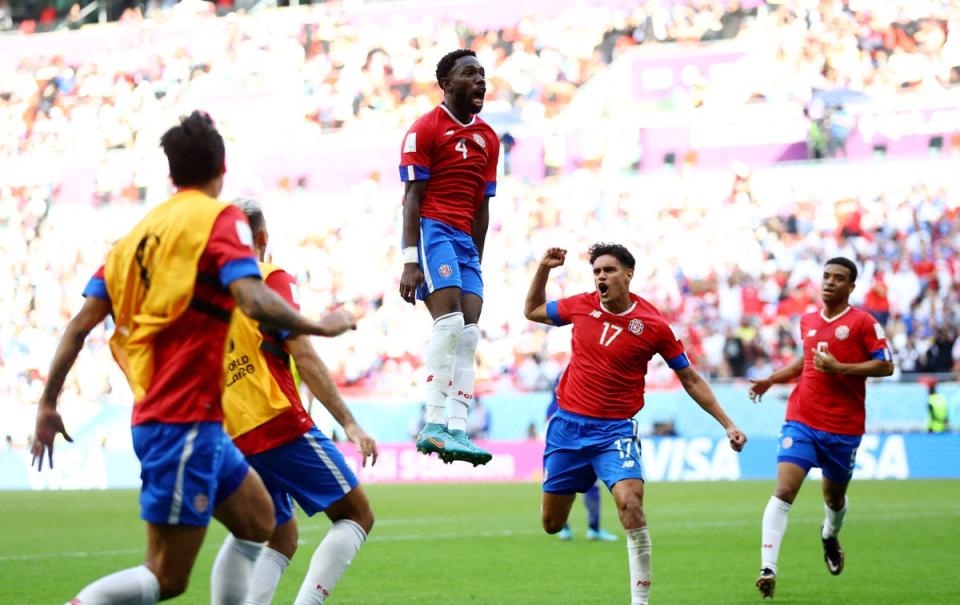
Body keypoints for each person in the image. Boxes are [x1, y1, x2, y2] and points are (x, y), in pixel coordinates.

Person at [31, 111, 353, 605]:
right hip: (179, 419)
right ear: (221, 169)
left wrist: (48, 403)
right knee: (166, 577)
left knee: (259, 522)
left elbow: (78, 328)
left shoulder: (130, 242)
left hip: (194, 422)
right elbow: (251, 297)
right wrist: (317, 325)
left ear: (170, 173)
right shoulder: (218, 218)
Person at [525, 244, 747, 605]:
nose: (601, 277)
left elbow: (690, 378)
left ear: (628, 274)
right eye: (597, 271)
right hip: (567, 428)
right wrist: (543, 269)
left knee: (630, 502)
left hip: (614, 431)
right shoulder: (580, 305)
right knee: (552, 524)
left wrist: (727, 423)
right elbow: (532, 310)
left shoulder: (654, 325)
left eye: (609, 270)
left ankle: (639, 602)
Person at [218, 198, 378, 605]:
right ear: (262, 238)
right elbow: (303, 353)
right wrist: (350, 423)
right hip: (275, 420)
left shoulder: (216, 295)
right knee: (357, 515)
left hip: (232, 434)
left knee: (281, 534)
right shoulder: (271, 277)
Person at [748, 257, 894, 599]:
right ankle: (768, 568)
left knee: (835, 498)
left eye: (838, 278)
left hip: (843, 427)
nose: (829, 282)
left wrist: (840, 366)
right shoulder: (808, 320)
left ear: (851, 287)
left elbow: (886, 365)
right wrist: (772, 378)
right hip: (802, 419)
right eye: (825, 276)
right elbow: (808, 358)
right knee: (784, 490)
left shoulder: (864, 323)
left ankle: (829, 534)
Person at [398, 48, 501, 466]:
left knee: (471, 334)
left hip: (464, 242)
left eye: (482, 73)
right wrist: (409, 260)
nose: (480, 80)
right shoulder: (424, 129)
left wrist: (475, 258)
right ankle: (433, 424)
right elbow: (411, 198)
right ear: (447, 83)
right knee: (451, 321)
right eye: (469, 73)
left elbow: (482, 205)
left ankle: (459, 428)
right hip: (432, 231)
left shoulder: (489, 138)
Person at [546, 371, 617, 542]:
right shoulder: (562, 404)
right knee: (568, 489)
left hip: (572, 448)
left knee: (570, 488)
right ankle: (580, 529)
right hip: (573, 447)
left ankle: (587, 529)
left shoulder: (555, 405)